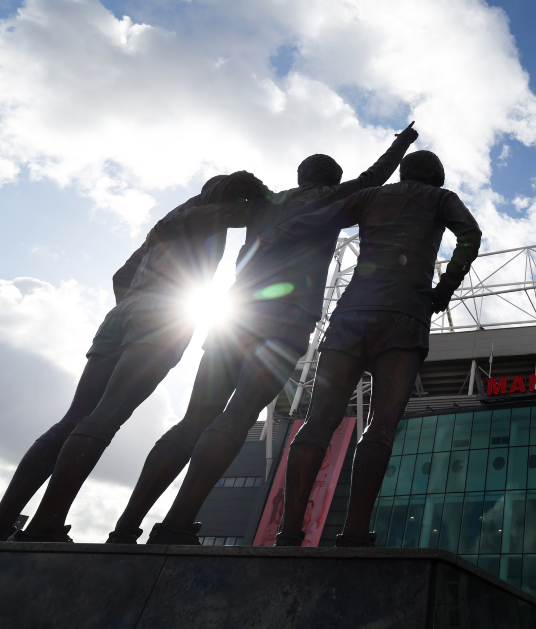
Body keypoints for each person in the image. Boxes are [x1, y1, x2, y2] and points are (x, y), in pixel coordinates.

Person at [132, 125, 420, 545]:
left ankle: (128, 526)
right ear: (333, 181)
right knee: (240, 413)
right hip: (286, 320)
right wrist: (403, 143)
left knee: (195, 418)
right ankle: (175, 523)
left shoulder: (264, 205)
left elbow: (206, 215)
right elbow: (375, 176)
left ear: (301, 174)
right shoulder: (332, 199)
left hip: (236, 313)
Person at [0, 171, 266, 542]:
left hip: (124, 312)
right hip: (162, 315)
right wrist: (260, 194)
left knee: (74, 418)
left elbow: (121, 274)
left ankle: (0, 524)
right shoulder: (207, 216)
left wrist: (131, 310)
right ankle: (46, 522)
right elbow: (252, 214)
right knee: (104, 418)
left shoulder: (172, 218)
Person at [266, 149, 481, 547]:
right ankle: (353, 532)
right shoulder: (440, 198)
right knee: (380, 427)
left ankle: (289, 530)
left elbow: (314, 222)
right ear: (437, 175)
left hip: (351, 315)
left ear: (403, 172)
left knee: (318, 421)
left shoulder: (372, 196)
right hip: (404, 316)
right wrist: (445, 288)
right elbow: (470, 235)